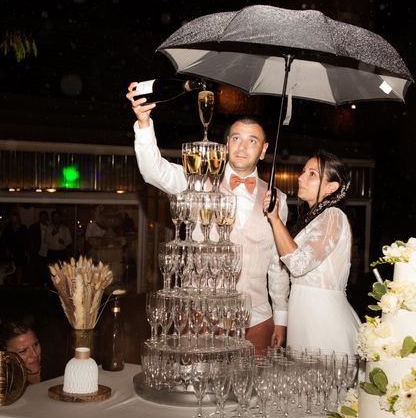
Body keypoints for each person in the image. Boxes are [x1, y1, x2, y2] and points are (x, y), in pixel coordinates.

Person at [125, 83, 290, 354]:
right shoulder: (198, 181)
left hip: (257, 318)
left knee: (252, 391)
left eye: (252, 141)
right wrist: (144, 123)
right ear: (225, 145)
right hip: (202, 313)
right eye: (236, 138)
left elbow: (277, 263)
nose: (242, 147)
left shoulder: (277, 200)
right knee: (199, 389)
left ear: (263, 150)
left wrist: (281, 317)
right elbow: (154, 171)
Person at [263, 150, 360, 356]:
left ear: (331, 187)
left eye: (312, 174)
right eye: (303, 171)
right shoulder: (314, 220)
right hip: (304, 316)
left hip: (324, 320)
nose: (300, 177)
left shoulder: (333, 216)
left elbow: (298, 265)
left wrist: (274, 218)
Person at [0, 317, 42, 385]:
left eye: (35, 344)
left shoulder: (57, 367)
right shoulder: (4, 385)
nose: (35, 354)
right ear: (6, 356)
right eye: (23, 351)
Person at [27, 210, 50, 286]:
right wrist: (31, 252)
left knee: (47, 270)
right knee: (37, 270)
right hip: (37, 252)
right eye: (42, 217)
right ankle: (37, 285)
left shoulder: (50, 227)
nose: (44, 218)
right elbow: (29, 240)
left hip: (48, 252)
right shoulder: (33, 227)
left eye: (45, 217)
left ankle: (46, 284)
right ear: (40, 218)